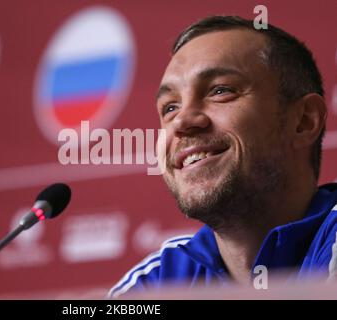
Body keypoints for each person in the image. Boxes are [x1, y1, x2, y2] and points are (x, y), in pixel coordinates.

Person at [109, 15, 337, 298]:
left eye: (220, 91)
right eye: (169, 108)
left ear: (303, 121)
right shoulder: (159, 280)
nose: (182, 121)